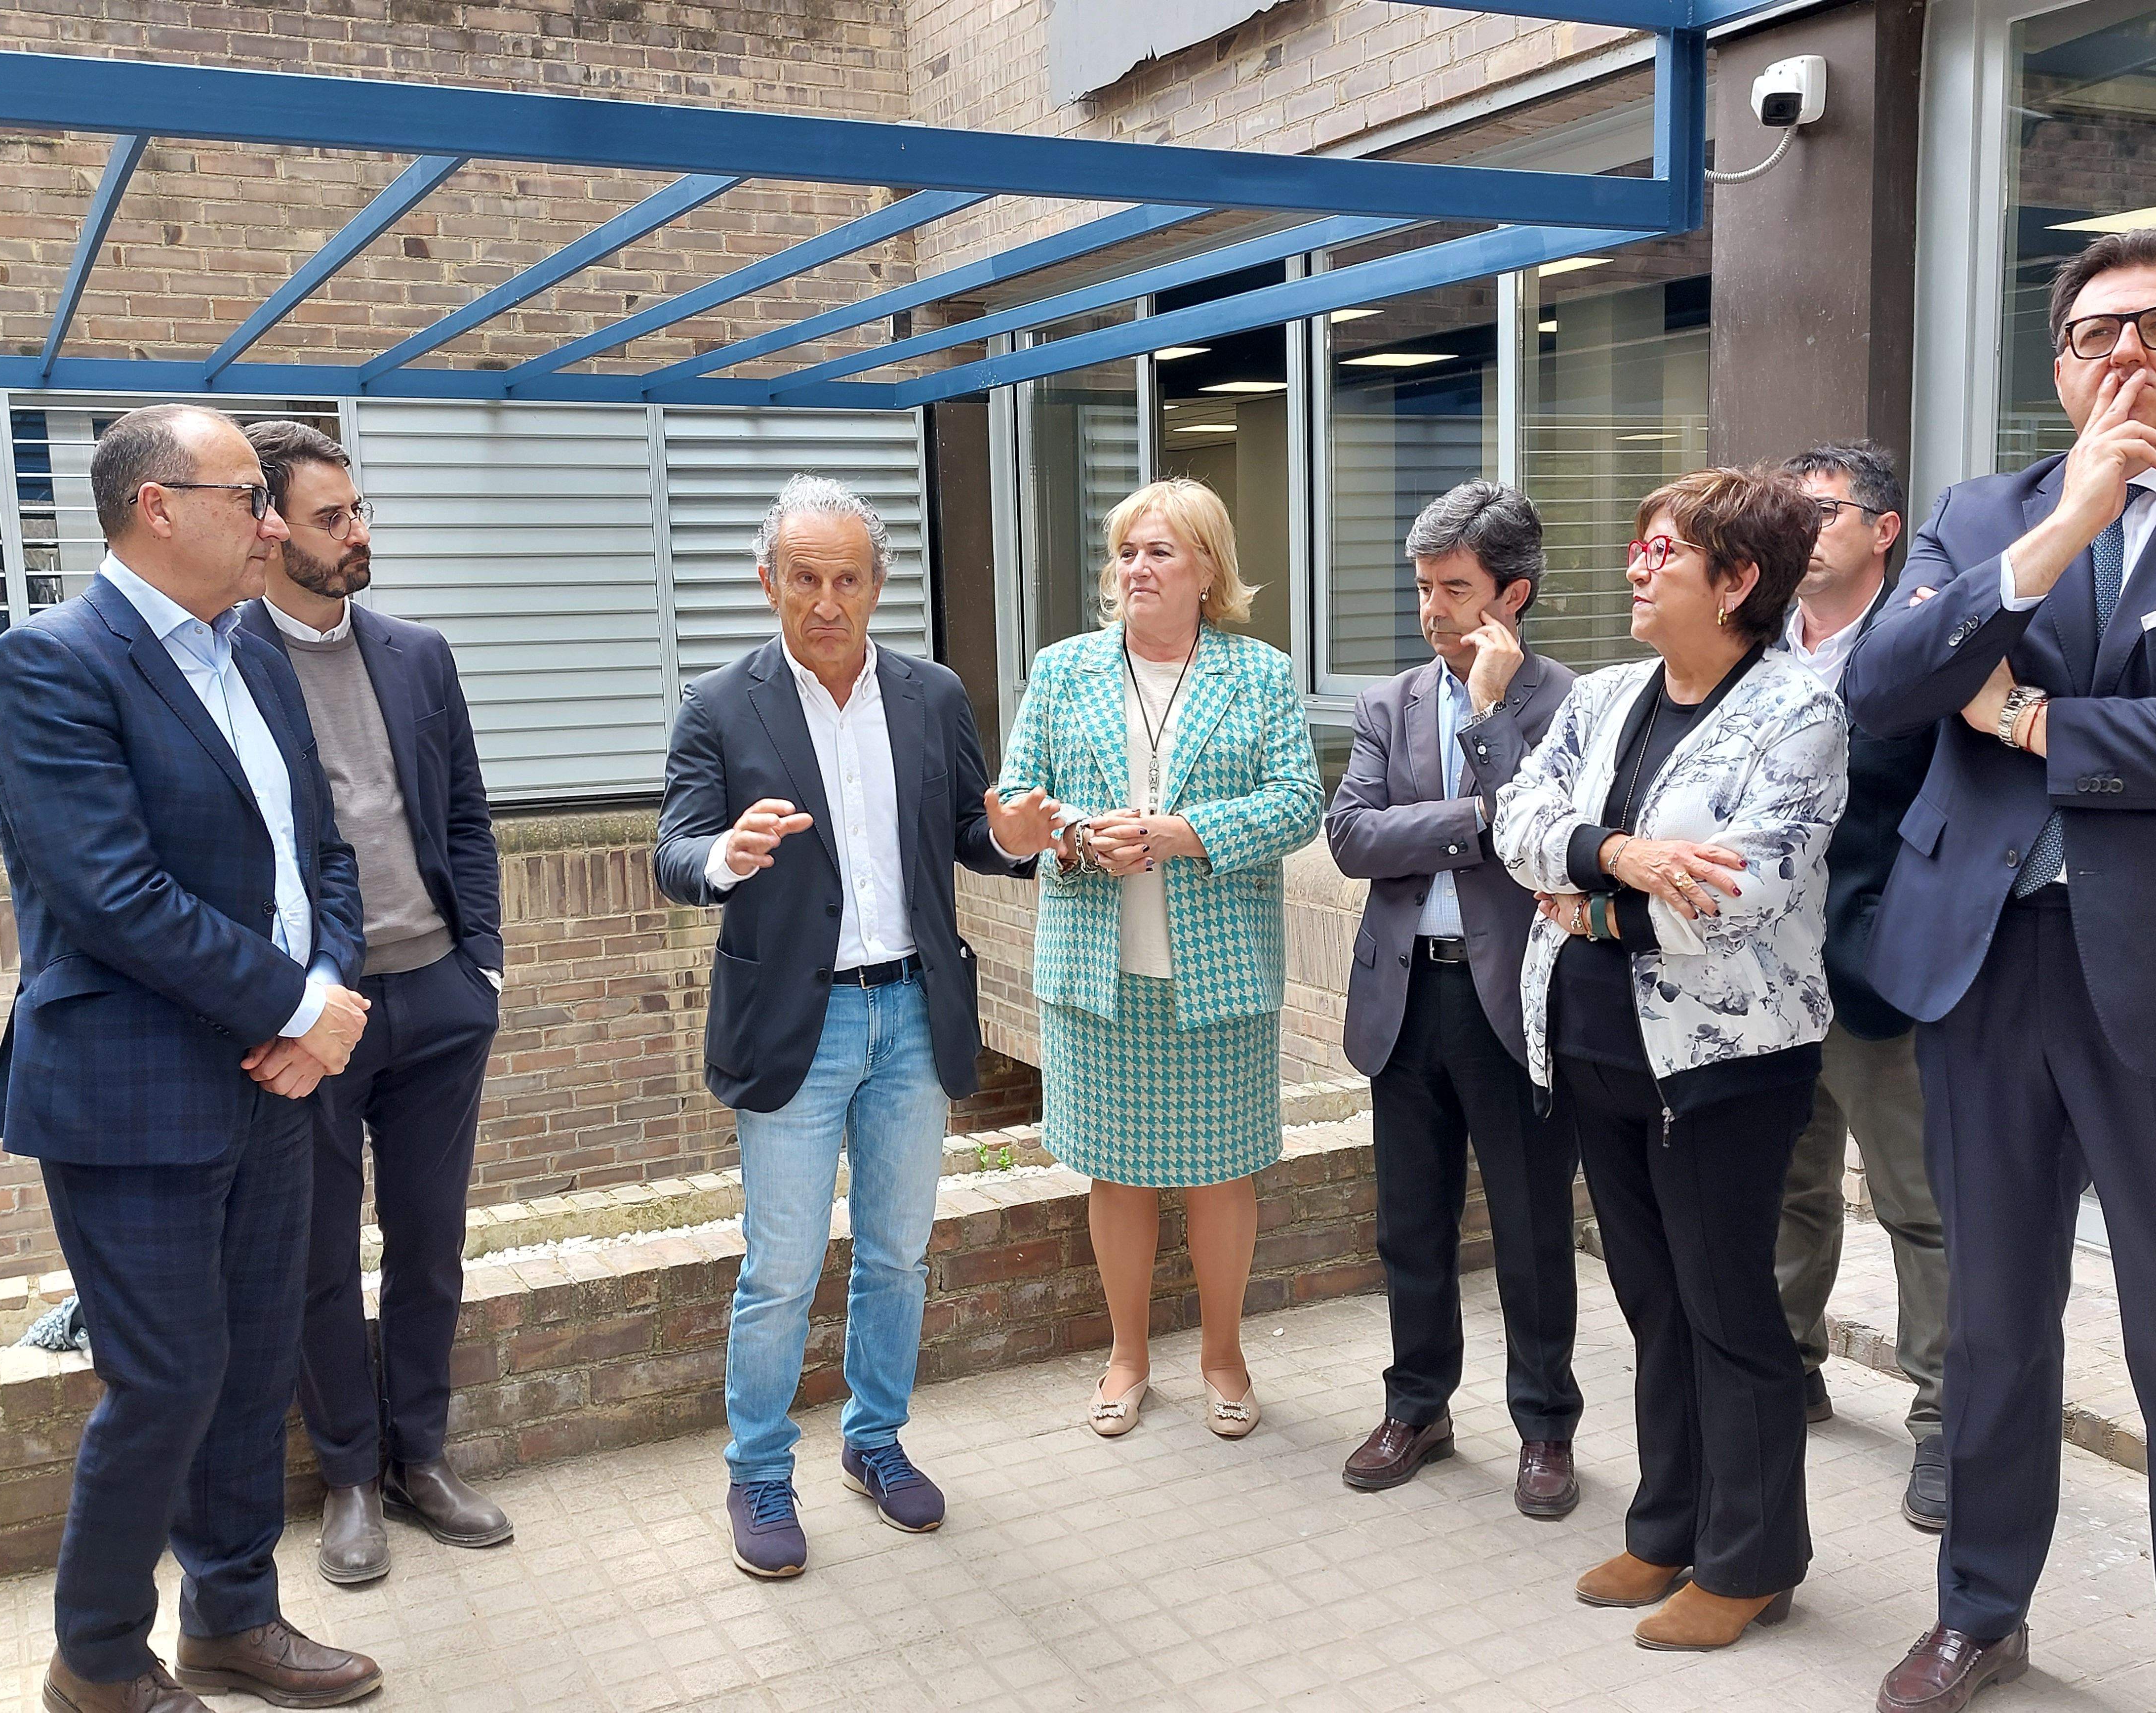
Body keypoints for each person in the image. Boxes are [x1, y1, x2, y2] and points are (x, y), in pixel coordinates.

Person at [1850, 224, 2156, 1713]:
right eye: (2095, 334)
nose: (2124, 356)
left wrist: (2041, 726)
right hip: (1985, 970)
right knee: (1992, 1312)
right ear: (2059, 368)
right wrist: (2065, 525)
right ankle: (1981, 1605)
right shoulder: (1990, 512)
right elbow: (1881, 688)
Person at [0, 404, 381, 1712]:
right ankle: (95, 1659)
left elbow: (320, 851)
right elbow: (112, 895)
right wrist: (290, 1005)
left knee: (255, 1363)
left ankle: (234, 1620)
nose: (274, 523)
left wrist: (320, 990)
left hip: (272, 1080)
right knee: (164, 1380)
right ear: (159, 505)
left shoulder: (255, 653)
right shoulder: (49, 664)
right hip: (135, 1096)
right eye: (249, 499)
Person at [652, 474, 1057, 1581]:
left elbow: (973, 841)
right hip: (798, 1021)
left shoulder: (930, 697)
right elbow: (673, 853)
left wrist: (1014, 836)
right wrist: (725, 859)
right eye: (803, 579)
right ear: (766, 580)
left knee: (897, 1254)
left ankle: (874, 1443)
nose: (824, 604)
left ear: (878, 585)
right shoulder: (718, 706)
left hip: (913, 1015)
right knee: (781, 1266)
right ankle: (758, 1472)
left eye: (845, 580)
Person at [1495, 465, 1846, 1652]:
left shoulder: (1796, 712)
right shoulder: (1602, 697)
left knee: (1726, 1308)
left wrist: (1590, 903)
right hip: (1594, 1046)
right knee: (1651, 1303)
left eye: (1665, 552)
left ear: (1737, 580)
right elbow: (1517, 824)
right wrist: (1618, 852)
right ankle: (1667, 1527)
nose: (1637, 566)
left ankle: (1752, 1561)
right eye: (1640, 545)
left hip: (1724, 1066)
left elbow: (1744, 892)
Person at [235, 421, 511, 1586]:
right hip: (313, 1019)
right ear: (268, 534)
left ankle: (421, 1457)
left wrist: (482, 965)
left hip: (437, 999)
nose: (359, 533)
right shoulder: (226, 663)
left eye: (360, 510)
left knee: (432, 1245)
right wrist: (286, 1003)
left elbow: (466, 818)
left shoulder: (417, 652)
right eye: (330, 517)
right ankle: (349, 1477)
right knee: (314, 1258)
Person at [997, 477, 1322, 1441]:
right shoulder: (1061, 672)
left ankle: (1222, 1353)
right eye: (1127, 551)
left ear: (1206, 568)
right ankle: (1127, 1355)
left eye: (1160, 551)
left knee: (1222, 1173)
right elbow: (1019, 798)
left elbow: (1298, 803)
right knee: (1116, 1173)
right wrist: (1056, 834)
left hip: (1215, 972)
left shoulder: (1258, 674)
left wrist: (1183, 833)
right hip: (1097, 973)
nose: (1137, 568)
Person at [1324, 480, 1584, 1513]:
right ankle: (1416, 1406)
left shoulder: (1569, 702)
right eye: (1422, 588)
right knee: (1409, 1225)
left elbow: (1542, 832)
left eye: (1454, 589)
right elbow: (1348, 840)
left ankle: (1544, 1427)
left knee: (1528, 1230)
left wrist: (1481, 731)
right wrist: (1473, 819)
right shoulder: (1385, 703)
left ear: (1510, 594)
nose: (1432, 611)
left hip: (1510, 1002)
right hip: (1404, 1001)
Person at [1769, 442, 1950, 1529]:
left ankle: (1944, 1421)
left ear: (1883, 529)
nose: (1801, 532)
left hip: (1880, 977)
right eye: (1788, 515)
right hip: (1766, 978)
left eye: (1822, 513)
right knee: (1786, 1189)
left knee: (1917, 1210)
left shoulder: (1916, 646)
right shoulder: (1757, 646)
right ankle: (1787, 1368)